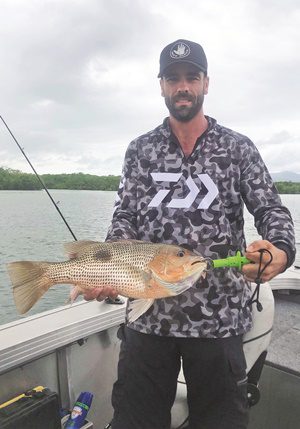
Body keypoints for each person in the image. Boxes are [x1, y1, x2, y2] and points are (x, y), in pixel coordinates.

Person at [84, 39, 296, 429]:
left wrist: (280, 249)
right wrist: (108, 266)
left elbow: (271, 208)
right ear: (161, 85)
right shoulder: (140, 150)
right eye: (173, 78)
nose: (183, 87)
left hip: (218, 319)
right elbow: (124, 217)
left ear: (206, 83)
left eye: (191, 78)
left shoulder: (237, 148)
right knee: (136, 420)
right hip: (149, 319)